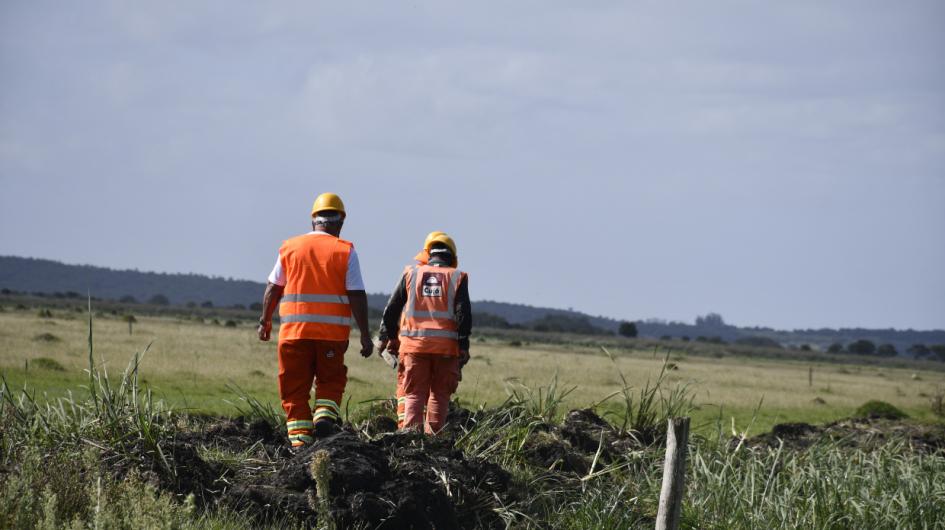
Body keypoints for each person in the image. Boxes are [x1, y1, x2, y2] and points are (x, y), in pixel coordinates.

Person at [257, 192, 374, 448]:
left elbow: (273, 288)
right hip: (331, 336)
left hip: (293, 336)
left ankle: (299, 445)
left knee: (294, 388)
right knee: (330, 381)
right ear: (340, 222)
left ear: (313, 220)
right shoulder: (345, 251)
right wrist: (365, 335)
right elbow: (357, 294)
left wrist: (265, 321)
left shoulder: (289, 247)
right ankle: (323, 417)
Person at [377, 233, 471, 434]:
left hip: (414, 347)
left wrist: (391, 338)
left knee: (413, 394)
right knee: (439, 395)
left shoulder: (412, 273)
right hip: (446, 349)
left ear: (428, 254)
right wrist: (463, 346)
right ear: (451, 257)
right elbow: (464, 314)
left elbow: (391, 309)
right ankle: (434, 441)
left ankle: (409, 439)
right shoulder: (457, 277)